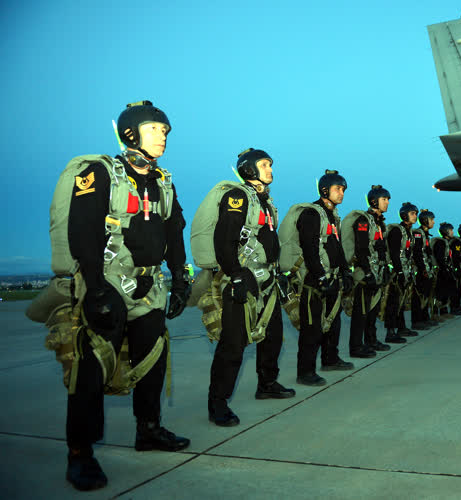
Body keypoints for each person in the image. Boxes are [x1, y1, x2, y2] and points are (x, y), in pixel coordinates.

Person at [65, 101, 190, 491]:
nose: (162, 137)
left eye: (165, 131)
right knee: (92, 368)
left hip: (150, 286)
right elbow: (82, 231)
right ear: (131, 133)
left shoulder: (163, 182)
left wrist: (180, 277)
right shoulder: (100, 173)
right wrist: (95, 289)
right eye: (154, 129)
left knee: (153, 360)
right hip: (108, 283)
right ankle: (80, 453)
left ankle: (148, 429)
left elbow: (174, 231)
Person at [201, 148, 295, 428]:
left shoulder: (264, 201)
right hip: (243, 278)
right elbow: (224, 239)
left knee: (273, 336)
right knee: (233, 344)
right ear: (249, 169)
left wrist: (279, 273)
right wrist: (235, 275)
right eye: (264, 164)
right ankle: (218, 403)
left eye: (270, 165)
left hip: (267, 279)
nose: (270, 169)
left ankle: (267, 384)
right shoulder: (238, 196)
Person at [280, 170, 355, 386]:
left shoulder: (332, 215)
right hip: (312, 280)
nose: (341, 193)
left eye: (343, 189)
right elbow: (310, 249)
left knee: (333, 322)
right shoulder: (311, 214)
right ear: (324, 190)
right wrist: (321, 278)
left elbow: (337, 247)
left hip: (331, 277)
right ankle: (305, 372)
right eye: (337, 189)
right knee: (311, 328)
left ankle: (330, 359)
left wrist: (345, 271)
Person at [345, 185, 392, 358]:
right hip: (364, 272)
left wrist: (384, 268)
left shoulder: (379, 222)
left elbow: (381, 248)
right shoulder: (363, 221)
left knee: (373, 310)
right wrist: (367, 272)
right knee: (361, 311)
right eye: (384, 199)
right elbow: (361, 248)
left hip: (376, 270)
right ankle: (356, 347)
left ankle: (371, 341)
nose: (387, 203)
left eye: (388, 199)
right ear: (374, 201)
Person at [384, 202, 421, 343]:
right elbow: (394, 253)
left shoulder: (409, 232)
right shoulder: (397, 231)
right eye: (412, 213)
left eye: (416, 214)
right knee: (392, 302)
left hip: (405, 271)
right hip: (396, 273)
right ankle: (390, 332)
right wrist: (399, 272)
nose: (415, 216)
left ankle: (401, 327)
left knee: (401, 301)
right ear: (404, 215)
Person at [411, 209, 439, 330]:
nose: (433, 222)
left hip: (426, 269)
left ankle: (425, 317)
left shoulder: (425, 234)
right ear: (424, 220)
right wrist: (423, 270)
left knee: (426, 295)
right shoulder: (418, 234)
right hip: (420, 270)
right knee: (418, 296)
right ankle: (417, 321)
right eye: (431, 219)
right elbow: (417, 254)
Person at [431, 222, 460, 319]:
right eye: (451, 230)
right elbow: (440, 258)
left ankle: (444, 312)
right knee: (438, 293)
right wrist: (444, 269)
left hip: (445, 270)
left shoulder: (446, 242)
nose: (452, 232)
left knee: (445, 292)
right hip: (440, 271)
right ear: (446, 231)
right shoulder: (440, 243)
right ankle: (435, 313)